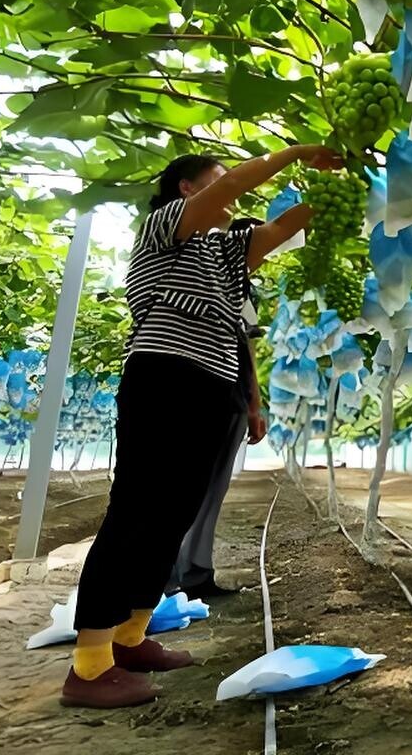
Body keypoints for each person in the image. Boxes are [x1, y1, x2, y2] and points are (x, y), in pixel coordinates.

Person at [63, 146, 338, 710]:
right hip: (164, 373)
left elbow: (287, 225)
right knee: (136, 508)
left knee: (174, 514)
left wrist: (355, 180)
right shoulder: (166, 226)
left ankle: (131, 637)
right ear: (190, 189)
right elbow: (237, 180)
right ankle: (88, 666)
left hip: (214, 384)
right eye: (217, 184)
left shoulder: (226, 249)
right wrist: (300, 153)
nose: (233, 195)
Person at [165, 217, 271, 601]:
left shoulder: (244, 288)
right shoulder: (203, 275)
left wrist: (254, 405)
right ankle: (168, 577)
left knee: (211, 490)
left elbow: (246, 350)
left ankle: (195, 573)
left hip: (232, 399)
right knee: (184, 489)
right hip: (199, 395)